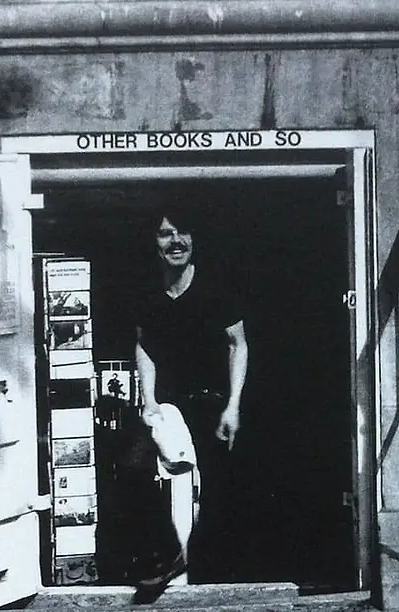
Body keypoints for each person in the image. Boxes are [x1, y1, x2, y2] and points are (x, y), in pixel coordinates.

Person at [132, 210, 249, 591]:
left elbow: (238, 345)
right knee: (135, 467)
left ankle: (211, 579)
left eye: (183, 232)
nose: (176, 241)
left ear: (195, 240)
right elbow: (144, 345)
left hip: (212, 403)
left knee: (217, 489)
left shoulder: (216, 290)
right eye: (167, 233)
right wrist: (148, 400)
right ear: (155, 241)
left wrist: (232, 406)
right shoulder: (149, 297)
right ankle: (169, 558)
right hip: (168, 406)